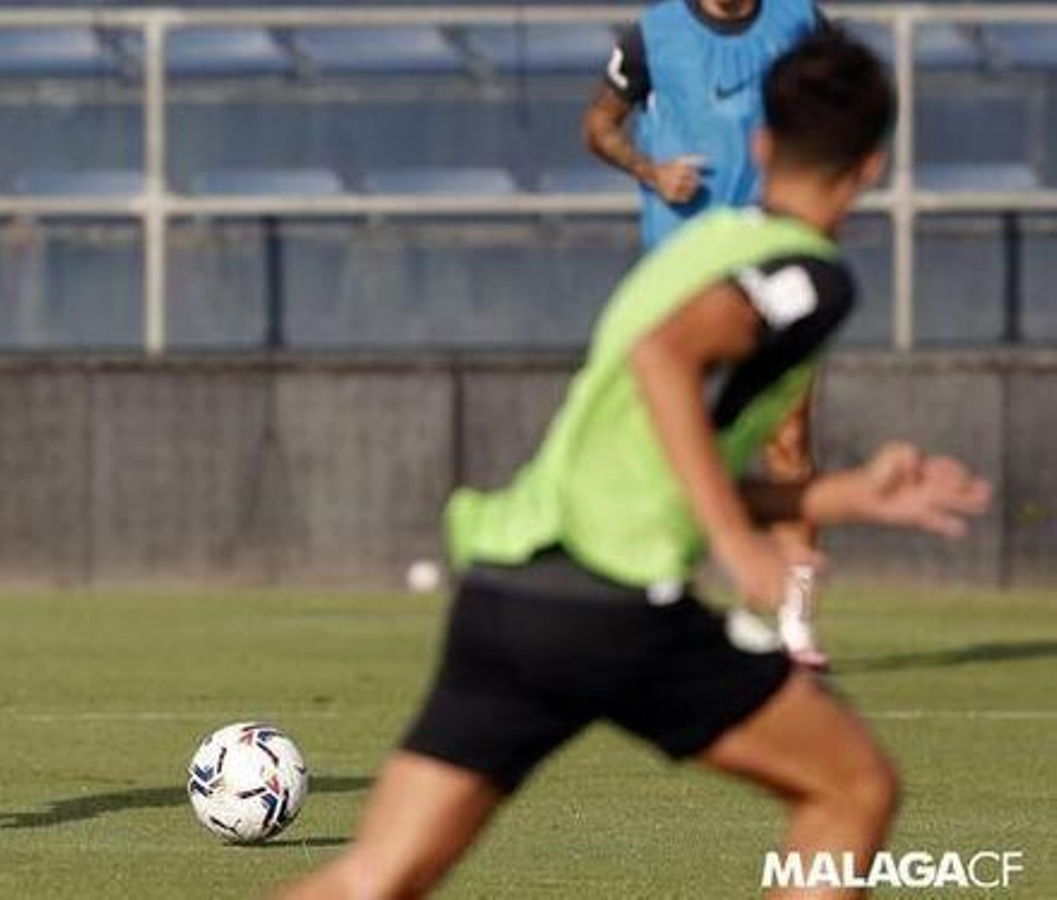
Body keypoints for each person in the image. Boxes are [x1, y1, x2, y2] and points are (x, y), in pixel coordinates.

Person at [284, 31, 990, 898]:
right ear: (873, 167)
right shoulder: (806, 276)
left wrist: (845, 495)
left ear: (761, 145)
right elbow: (666, 360)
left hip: (512, 589)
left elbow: (658, 455)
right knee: (853, 789)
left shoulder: (700, 246)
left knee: (375, 877)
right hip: (617, 607)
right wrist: (740, 546)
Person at [584, 0, 834, 667]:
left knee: (791, 438)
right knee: (671, 445)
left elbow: (838, 111)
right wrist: (651, 170)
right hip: (682, 273)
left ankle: (795, 621)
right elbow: (599, 127)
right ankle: (657, 604)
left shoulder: (799, 19)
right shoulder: (654, 34)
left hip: (773, 260)